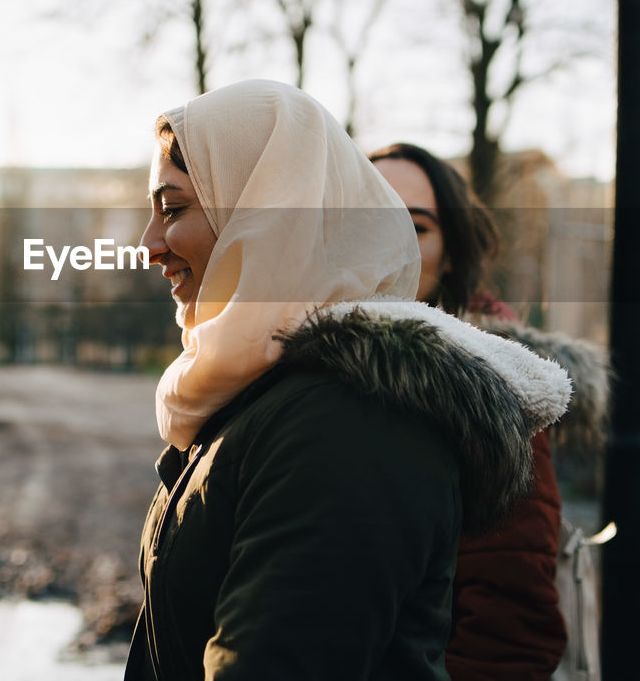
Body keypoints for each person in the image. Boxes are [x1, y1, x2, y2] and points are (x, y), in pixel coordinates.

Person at [124, 80, 572, 681]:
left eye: (173, 208)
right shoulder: (261, 389)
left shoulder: (352, 419)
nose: (148, 246)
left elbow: (506, 629)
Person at [369, 142, 608, 681]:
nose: (391, 245)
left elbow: (510, 630)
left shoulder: (493, 386)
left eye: (417, 226)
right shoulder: (302, 366)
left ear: (452, 252)